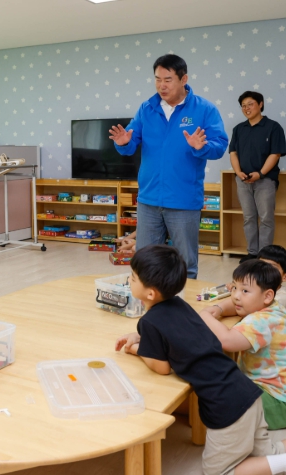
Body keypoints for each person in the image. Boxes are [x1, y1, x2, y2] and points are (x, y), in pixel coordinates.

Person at [115, 245, 286, 475]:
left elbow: (162, 367)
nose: (129, 279)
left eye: (133, 277)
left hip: (228, 408)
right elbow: (176, 334)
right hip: (247, 393)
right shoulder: (181, 305)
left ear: (150, 294)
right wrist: (141, 337)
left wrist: (136, 348)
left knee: (218, 472)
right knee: (266, 451)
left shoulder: (149, 321)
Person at [109, 54, 228, 279]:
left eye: (168, 79)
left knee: (186, 264)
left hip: (184, 200)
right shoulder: (147, 108)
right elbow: (130, 144)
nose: (161, 85)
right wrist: (123, 143)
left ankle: (182, 302)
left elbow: (220, 146)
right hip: (148, 200)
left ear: (184, 79)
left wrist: (201, 146)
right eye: (157, 79)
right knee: (144, 262)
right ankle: (147, 300)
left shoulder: (204, 109)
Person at [199, 260, 286, 431]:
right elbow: (236, 306)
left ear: (267, 296)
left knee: (221, 399)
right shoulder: (271, 307)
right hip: (270, 391)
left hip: (276, 401)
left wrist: (205, 315)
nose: (236, 296)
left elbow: (227, 341)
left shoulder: (262, 320)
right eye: (234, 288)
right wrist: (219, 308)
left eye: (245, 291)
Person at [229, 91, 286, 262]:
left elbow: (275, 154)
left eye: (250, 104)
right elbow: (233, 152)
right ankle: (252, 253)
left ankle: (264, 255)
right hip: (243, 180)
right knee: (248, 217)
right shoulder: (238, 129)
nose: (246, 108)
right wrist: (238, 172)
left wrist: (260, 173)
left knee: (266, 218)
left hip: (265, 180)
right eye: (243, 106)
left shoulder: (273, 127)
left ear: (260, 104)